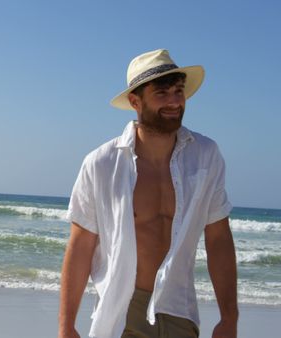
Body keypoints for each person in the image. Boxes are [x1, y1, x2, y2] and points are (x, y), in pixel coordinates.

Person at [58, 49, 238, 338]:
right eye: (162, 93)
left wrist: (229, 317)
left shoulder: (206, 156)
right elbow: (80, 246)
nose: (174, 101)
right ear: (135, 101)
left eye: (179, 91)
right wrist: (66, 326)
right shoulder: (102, 163)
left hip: (179, 309)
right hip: (122, 312)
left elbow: (218, 238)